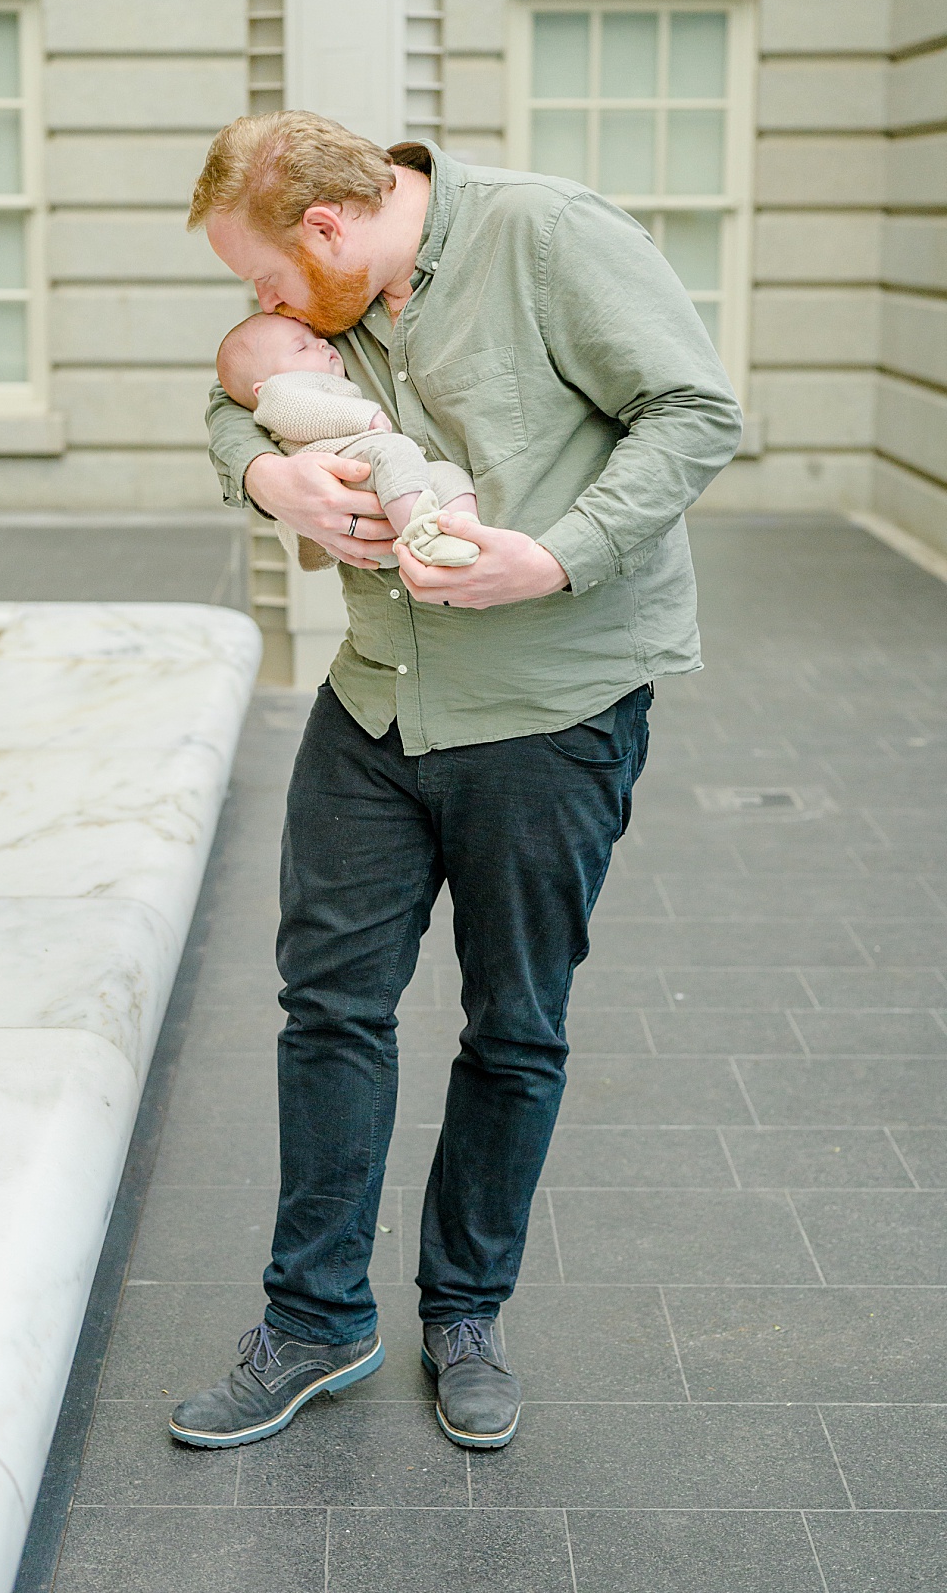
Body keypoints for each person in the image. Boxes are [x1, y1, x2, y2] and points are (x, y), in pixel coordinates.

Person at [168, 110, 738, 1453]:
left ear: (325, 227)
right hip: (375, 704)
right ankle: (315, 1323)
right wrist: (268, 478)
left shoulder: (548, 236)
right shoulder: (332, 302)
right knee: (331, 1012)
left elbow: (696, 412)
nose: (260, 309)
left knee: (515, 1026)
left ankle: (466, 1314)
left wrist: (552, 557)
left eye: (264, 281)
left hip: (550, 718)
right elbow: (229, 394)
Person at [213, 309, 478, 571]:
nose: (321, 343)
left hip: (373, 498)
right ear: (263, 388)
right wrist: (364, 417)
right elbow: (301, 408)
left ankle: (461, 534)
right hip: (340, 470)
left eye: (315, 337)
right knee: (394, 450)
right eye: (301, 348)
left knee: (447, 474)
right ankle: (423, 537)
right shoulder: (279, 392)